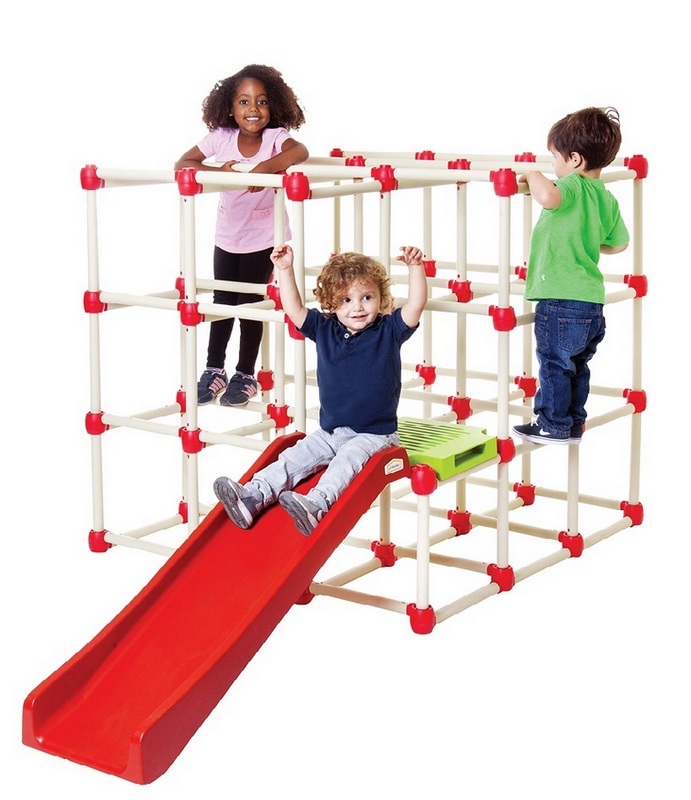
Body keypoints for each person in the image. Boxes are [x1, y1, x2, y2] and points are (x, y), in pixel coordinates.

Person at [213, 244, 428, 536]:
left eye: (367, 297)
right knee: (293, 458)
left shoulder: (388, 331)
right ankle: (253, 496)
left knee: (345, 464)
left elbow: (416, 305)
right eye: (346, 300)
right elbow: (295, 309)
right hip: (330, 432)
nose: (358, 307)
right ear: (331, 303)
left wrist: (415, 268)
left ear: (381, 299)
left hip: (374, 435)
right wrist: (285, 270)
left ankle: (317, 504)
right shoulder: (326, 329)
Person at [175, 65, 308, 407]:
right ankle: (213, 369)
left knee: (251, 303)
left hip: (263, 237)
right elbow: (183, 163)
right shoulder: (221, 137)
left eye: (262, 101)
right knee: (223, 299)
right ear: (230, 107)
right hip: (228, 235)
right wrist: (217, 170)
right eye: (244, 101)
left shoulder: (275, 138)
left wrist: (264, 169)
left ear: (274, 105)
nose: (254, 109)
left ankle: (245, 373)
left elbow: (300, 152)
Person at [512, 106, 630, 446]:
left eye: (554, 158)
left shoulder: (572, 185)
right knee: (577, 366)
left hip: (561, 299)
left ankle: (552, 424)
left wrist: (531, 173)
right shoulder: (605, 197)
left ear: (575, 160)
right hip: (591, 302)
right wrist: (587, 239)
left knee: (554, 364)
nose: (553, 166)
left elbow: (548, 196)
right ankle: (574, 422)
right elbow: (619, 243)